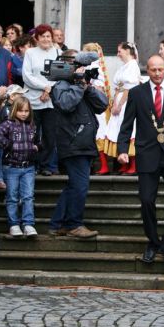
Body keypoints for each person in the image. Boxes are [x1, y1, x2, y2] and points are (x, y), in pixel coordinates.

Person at [117, 54, 164, 271]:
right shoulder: (137, 93)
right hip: (147, 153)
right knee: (147, 200)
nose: (157, 74)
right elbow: (127, 123)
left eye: (160, 69)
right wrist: (122, 149)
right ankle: (153, 241)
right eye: (153, 70)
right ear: (147, 70)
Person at [48, 50, 108, 238]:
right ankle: (74, 224)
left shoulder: (80, 85)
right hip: (73, 142)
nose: (81, 69)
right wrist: (79, 86)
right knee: (80, 186)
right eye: (77, 64)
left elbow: (102, 105)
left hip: (84, 143)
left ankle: (58, 224)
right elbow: (66, 104)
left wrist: (87, 86)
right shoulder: (61, 85)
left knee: (74, 185)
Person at [0, 96, 39, 238]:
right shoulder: (8, 124)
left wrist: (36, 147)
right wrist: (9, 145)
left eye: (26, 111)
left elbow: (37, 140)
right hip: (11, 167)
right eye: (20, 111)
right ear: (14, 111)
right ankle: (14, 225)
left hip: (29, 167)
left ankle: (28, 224)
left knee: (28, 196)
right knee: (12, 196)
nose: (24, 113)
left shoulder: (32, 125)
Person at [22, 23, 59, 176]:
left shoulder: (58, 52)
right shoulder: (30, 53)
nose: (46, 39)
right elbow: (27, 75)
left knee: (50, 135)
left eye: (48, 36)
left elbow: (61, 74)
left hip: (50, 100)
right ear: (37, 38)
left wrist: (49, 89)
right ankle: (33, 163)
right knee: (33, 134)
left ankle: (46, 165)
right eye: (43, 36)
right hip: (33, 99)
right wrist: (44, 87)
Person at [103, 42, 140, 175]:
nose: (118, 54)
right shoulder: (124, 67)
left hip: (127, 102)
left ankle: (133, 164)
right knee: (119, 129)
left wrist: (119, 105)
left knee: (130, 130)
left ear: (127, 51)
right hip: (119, 99)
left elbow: (129, 89)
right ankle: (123, 162)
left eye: (120, 51)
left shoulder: (133, 66)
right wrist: (114, 104)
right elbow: (118, 88)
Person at [82, 42, 112, 175]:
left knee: (99, 133)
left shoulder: (94, 67)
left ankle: (104, 165)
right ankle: (100, 165)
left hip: (95, 105)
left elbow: (98, 88)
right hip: (94, 104)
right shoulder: (98, 66)